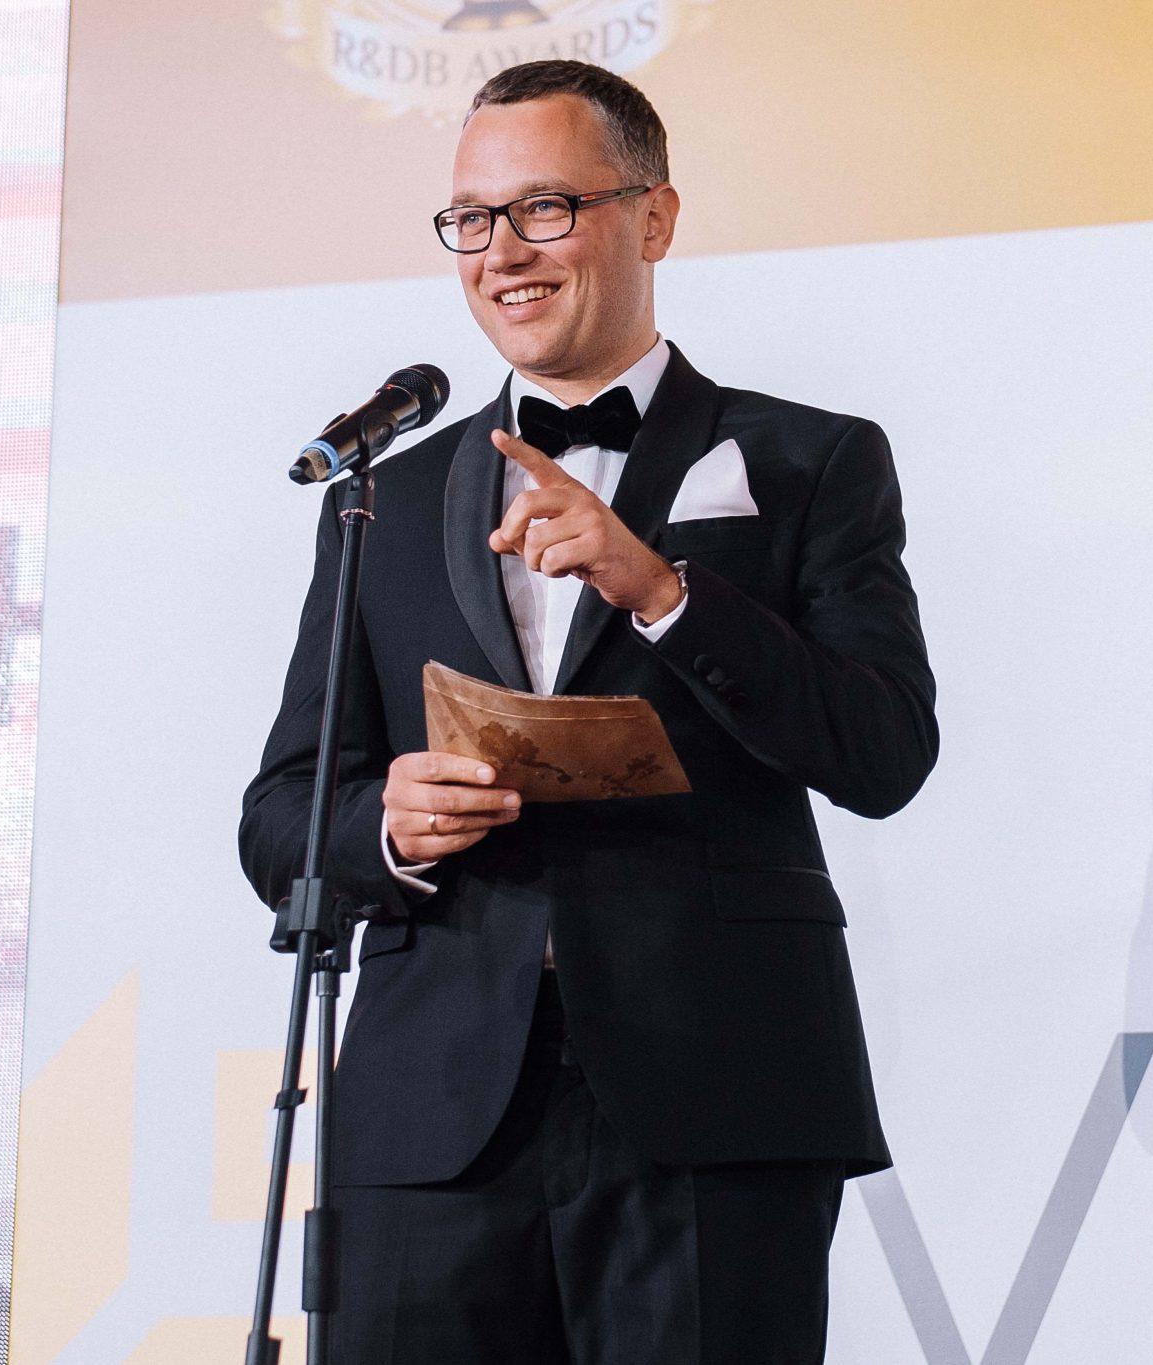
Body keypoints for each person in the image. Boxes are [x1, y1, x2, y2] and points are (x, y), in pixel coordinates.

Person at [240, 58, 938, 1363]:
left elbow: (885, 750)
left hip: (717, 1098)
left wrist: (664, 591)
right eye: (472, 218)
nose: (502, 253)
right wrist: (383, 821)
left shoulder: (810, 460)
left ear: (653, 218)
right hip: (431, 1116)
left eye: (545, 208)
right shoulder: (383, 498)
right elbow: (282, 813)